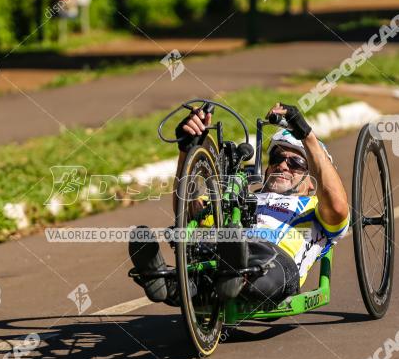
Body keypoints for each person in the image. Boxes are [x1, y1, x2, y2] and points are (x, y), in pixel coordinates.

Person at [129, 103, 350, 309]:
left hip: (275, 262)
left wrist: (306, 135)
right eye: (276, 157)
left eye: (296, 162)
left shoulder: (316, 207)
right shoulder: (239, 199)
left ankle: (233, 275)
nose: (283, 164)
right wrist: (187, 149)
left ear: (313, 181)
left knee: (249, 257)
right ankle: (163, 280)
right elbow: (188, 212)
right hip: (221, 249)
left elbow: (339, 207)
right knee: (207, 253)